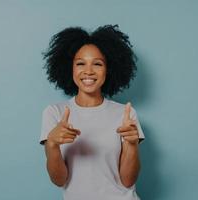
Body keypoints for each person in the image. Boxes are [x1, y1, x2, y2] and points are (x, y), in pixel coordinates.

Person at [39, 24, 145, 200]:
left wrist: (132, 145)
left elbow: (128, 181)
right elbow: (59, 180)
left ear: (108, 69)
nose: (88, 71)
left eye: (97, 64)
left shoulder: (125, 114)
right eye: (80, 63)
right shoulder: (54, 113)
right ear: (70, 68)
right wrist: (52, 144)